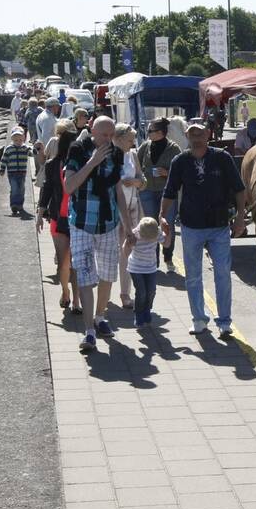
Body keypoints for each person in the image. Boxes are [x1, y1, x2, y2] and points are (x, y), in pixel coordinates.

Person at [159, 118, 247, 337]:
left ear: (208, 135)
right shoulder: (180, 161)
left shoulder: (222, 158)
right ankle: (198, 318)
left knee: (223, 274)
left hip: (218, 225)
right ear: (187, 136)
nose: (196, 138)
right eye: (192, 134)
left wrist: (240, 216)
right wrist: (162, 216)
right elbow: (169, 191)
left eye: (200, 134)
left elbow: (239, 189)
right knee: (193, 275)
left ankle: (224, 321)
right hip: (191, 225)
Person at [64, 116, 128, 353]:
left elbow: (118, 191)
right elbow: (69, 187)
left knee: (108, 275)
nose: (108, 140)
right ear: (92, 131)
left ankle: (101, 317)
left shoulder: (117, 154)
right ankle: (89, 331)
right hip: (81, 222)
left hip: (108, 223)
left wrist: (128, 226)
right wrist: (91, 163)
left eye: (112, 136)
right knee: (85, 276)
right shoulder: (78, 150)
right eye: (104, 135)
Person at [37, 121, 81, 313]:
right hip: (68, 217)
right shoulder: (63, 165)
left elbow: (46, 190)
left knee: (70, 261)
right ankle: (71, 297)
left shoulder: (59, 165)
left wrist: (39, 215)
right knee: (70, 262)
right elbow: (47, 190)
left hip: (68, 218)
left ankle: (71, 297)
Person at [137, 117, 183, 272]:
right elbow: (136, 165)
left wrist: (166, 172)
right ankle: (153, 260)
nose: (148, 133)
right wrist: (141, 177)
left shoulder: (174, 149)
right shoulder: (145, 146)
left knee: (167, 225)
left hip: (167, 193)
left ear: (161, 133)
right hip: (147, 191)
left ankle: (168, 258)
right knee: (150, 225)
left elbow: (181, 173)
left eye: (151, 131)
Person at [114, 123, 145, 311]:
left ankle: (125, 293)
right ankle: (104, 285)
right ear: (117, 139)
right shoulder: (108, 155)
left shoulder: (132, 155)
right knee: (110, 251)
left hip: (132, 208)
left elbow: (143, 180)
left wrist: (136, 182)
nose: (133, 143)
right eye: (130, 140)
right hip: (113, 210)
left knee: (127, 250)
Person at [124, 217, 166, 328]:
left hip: (150, 267)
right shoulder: (135, 234)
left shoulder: (156, 232)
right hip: (136, 268)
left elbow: (166, 243)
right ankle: (139, 314)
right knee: (141, 292)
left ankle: (147, 309)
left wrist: (168, 230)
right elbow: (125, 249)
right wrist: (128, 245)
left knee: (151, 291)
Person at [0, 127, 31, 214]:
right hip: (12, 173)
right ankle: (14, 205)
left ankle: (20, 204)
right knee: (14, 188)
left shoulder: (25, 148)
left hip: (22, 172)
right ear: (12, 139)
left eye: (20, 139)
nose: (18, 142)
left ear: (24, 139)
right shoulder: (9, 149)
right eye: (16, 140)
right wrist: (2, 169)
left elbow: (31, 153)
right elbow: (4, 159)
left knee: (21, 189)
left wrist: (35, 150)